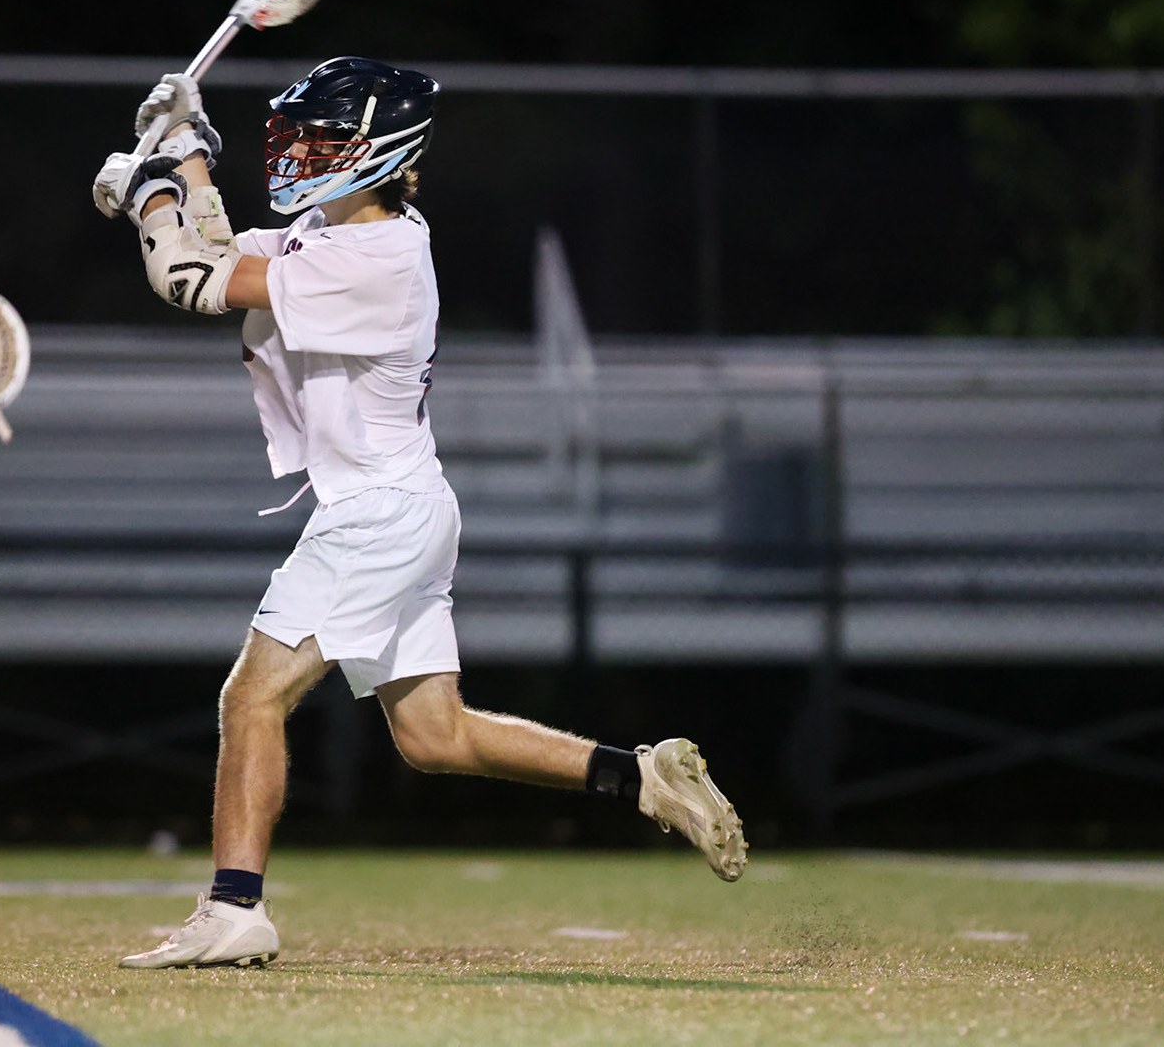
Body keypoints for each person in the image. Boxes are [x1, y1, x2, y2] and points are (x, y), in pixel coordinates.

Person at [91, 57, 747, 969]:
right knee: (434, 736)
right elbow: (223, 249)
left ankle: (235, 909)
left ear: (380, 151)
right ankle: (636, 774)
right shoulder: (345, 232)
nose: (302, 152)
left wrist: (150, 189)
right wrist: (189, 152)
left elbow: (191, 280)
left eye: (325, 139)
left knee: (251, 697)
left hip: (376, 515)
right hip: (406, 504)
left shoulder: (377, 258)